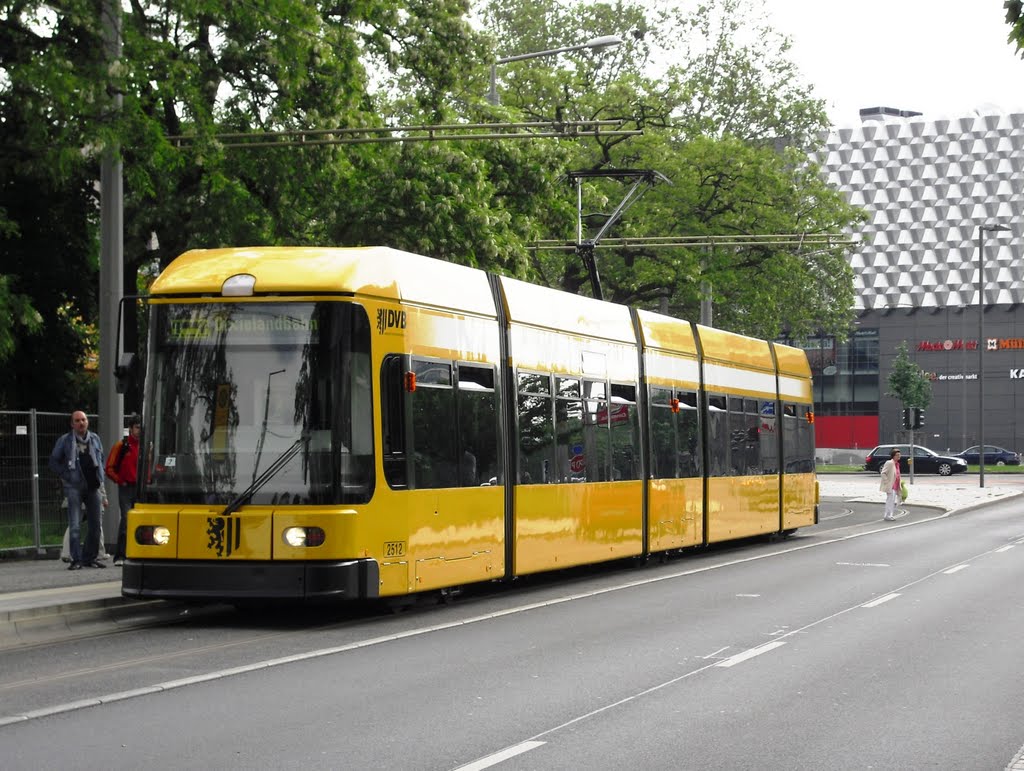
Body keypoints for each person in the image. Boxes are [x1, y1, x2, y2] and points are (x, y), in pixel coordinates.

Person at [49, 410, 107, 570]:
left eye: (84, 420)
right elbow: (53, 461)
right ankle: (76, 559)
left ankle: (90, 558)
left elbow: (101, 460)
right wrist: (67, 475)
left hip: (93, 486)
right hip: (74, 487)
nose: (81, 423)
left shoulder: (95, 439)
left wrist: (102, 485)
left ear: (88, 422)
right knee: (75, 525)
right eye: (77, 420)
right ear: (72, 424)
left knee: (96, 525)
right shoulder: (65, 440)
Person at [105, 414, 141, 566]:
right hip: (126, 487)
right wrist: (121, 481)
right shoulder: (122, 446)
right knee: (127, 520)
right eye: (137, 427)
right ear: (131, 429)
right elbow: (109, 468)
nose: (140, 431)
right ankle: (120, 555)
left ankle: (134, 554)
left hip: (140, 488)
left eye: (141, 428)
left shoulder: (147, 446)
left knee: (139, 521)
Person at [879, 447, 902, 521]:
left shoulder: (897, 464)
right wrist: (887, 482)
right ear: (893, 456)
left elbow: (897, 474)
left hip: (896, 485)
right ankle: (888, 515)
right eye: (897, 455)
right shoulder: (889, 463)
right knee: (890, 500)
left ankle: (889, 515)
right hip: (891, 486)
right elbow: (883, 473)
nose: (899, 456)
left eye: (899, 455)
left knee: (892, 501)